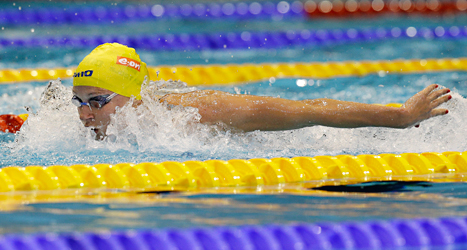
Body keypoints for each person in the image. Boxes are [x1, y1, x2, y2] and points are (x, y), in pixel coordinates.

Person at [71, 43, 451, 140]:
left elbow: (308, 109)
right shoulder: (80, 124)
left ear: (136, 99)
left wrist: (400, 116)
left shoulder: (195, 113)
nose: (85, 114)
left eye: (97, 101)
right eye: (80, 102)